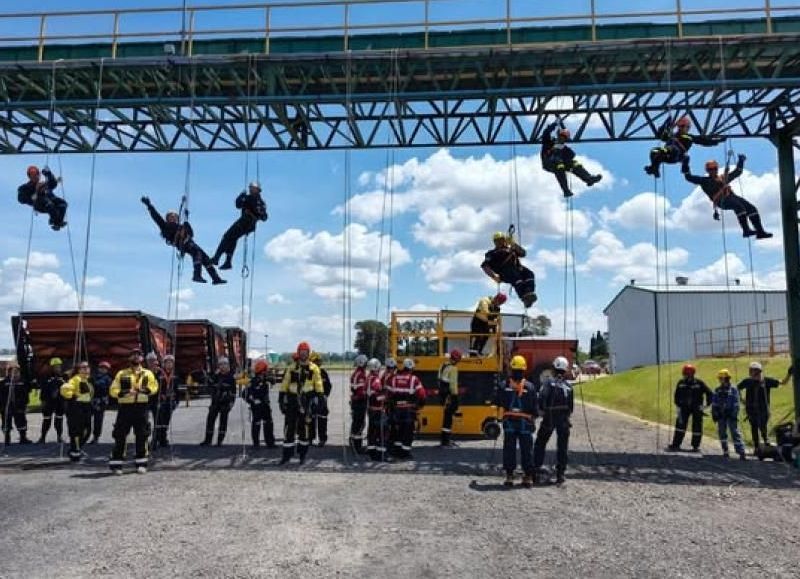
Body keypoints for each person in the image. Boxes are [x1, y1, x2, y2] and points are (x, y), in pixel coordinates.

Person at [681, 155, 772, 239]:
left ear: (717, 169)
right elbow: (689, 177)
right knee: (739, 207)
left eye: (714, 168)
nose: (713, 170)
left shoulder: (722, 178)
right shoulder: (704, 181)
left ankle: (760, 232)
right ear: (707, 170)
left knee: (751, 209)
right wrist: (685, 164)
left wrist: (741, 161)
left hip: (731, 197)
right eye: (710, 169)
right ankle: (746, 230)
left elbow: (737, 172)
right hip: (721, 200)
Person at [141, 196, 227, 284]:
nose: (173, 217)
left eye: (175, 216)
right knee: (197, 252)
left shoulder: (182, 226)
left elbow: (191, 234)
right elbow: (156, 217)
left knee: (205, 259)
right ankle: (196, 275)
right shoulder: (165, 226)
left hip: (190, 242)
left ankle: (216, 278)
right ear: (167, 218)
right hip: (183, 243)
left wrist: (187, 223)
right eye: (171, 216)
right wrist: (149, 205)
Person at [109, 348, 158, 474]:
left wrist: (145, 390)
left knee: (142, 435)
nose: (136, 357)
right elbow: (113, 390)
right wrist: (125, 392)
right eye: (133, 355)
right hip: (125, 408)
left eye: (139, 355)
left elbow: (154, 387)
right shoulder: (121, 374)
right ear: (129, 358)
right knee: (120, 435)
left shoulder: (148, 373)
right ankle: (117, 464)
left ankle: (141, 463)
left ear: (142, 359)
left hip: (141, 408)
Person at [496, 355, 539, 488]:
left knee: (509, 449)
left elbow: (498, 402)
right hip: (525, 424)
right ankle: (528, 477)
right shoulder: (530, 387)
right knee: (527, 450)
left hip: (509, 423)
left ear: (511, 369)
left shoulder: (504, 385)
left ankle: (510, 476)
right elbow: (535, 409)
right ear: (524, 369)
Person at [278, 342, 325, 464]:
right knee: (289, 429)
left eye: (305, 353)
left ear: (308, 354)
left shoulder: (314, 368)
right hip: (293, 399)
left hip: (306, 401)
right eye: (301, 352)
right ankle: (286, 456)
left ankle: (302, 455)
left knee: (304, 429)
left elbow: (318, 384)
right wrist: (281, 397)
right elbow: (285, 382)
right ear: (298, 353)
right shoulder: (292, 367)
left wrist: (320, 398)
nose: (303, 355)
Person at [533, 355, 574, 485]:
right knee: (562, 446)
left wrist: (540, 412)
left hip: (549, 417)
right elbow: (571, 407)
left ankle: (535, 470)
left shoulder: (548, 383)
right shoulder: (569, 386)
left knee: (540, 443)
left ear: (554, 368)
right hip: (563, 419)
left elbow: (541, 400)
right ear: (565, 369)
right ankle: (560, 474)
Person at [211, 181, 268, 270]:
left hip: (245, 222)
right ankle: (228, 262)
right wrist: (257, 215)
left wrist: (241, 196)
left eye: (252, 188)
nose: (250, 189)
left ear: (257, 190)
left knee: (227, 236)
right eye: (250, 188)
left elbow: (238, 205)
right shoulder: (262, 202)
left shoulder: (250, 198)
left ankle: (216, 258)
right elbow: (264, 217)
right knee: (233, 238)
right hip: (251, 225)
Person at [644, 115, 724, 178]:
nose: (682, 128)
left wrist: (717, 141)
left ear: (688, 128)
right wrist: (666, 123)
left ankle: (657, 166)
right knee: (654, 151)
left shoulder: (689, 137)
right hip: (666, 155)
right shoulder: (672, 135)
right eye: (680, 126)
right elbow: (660, 134)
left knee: (673, 149)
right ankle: (655, 168)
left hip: (677, 155)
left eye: (684, 126)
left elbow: (704, 141)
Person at [540, 122, 602, 197]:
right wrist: (553, 125)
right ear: (558, 136)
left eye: (564, 138)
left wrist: (563, 151)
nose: (562, 139)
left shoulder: (564, 148)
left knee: (574, 163)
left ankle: (588, 178)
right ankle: (565, 190)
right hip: (548, 161)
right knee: (559, 163)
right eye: (561, 137)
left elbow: (572, 155)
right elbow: (546, 133)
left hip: (559, 163)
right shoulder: (549, 141)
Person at [481, 232, 537, 308]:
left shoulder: (511, 249)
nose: (500, 242)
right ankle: (524, 297)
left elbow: (523, 253)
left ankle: (529, 293)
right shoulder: (491, 253)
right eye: (497, 241)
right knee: (516, 277)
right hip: (504, 272)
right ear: (494, 242)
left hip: (517, 269)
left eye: (501, 240)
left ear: (505, 240)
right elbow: (485, 266)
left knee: (529, 274)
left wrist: (513, 243)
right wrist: (494, 277)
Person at [386, 358, 426, 460]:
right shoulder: (414, 379)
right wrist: (419, 405)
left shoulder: (393, 379)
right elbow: (422, 394)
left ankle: (396, 451)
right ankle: (405, 453)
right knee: (407, 432)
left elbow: (387, 395)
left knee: (396, 431)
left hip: (395, 410)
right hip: (408, 411)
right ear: (411, 368)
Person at [666, 364, 713, 452]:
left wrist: (706, 405)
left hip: (697, 408)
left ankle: (695, 446)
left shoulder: (699, 383)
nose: (684, 376)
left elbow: (709, 393)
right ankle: (676, 444)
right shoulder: (681, 383)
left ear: (690, 374)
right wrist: (678, 405)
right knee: (680, 426)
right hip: (683, 408)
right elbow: (676, 395)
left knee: (697, 427)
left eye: (685, 374)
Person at [737, 361, 781, 450]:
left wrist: (789, 374)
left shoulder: (766, 381)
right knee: (754, 427)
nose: (750, 372)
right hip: (751, 409)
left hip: (763, 409)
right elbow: (737, 388)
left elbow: (781, 383)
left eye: (752, 370)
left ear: (758, 371)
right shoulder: (747, 381)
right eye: (750, 370)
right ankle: (756, 446)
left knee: (762, 425)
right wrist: (741, 399)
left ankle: (766, 441)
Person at [59, 361, 94, 462]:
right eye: (83, 367)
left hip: (86, 406)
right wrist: (72, 395)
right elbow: (65, 388)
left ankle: (75, 449)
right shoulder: (76, 379)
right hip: (77, 407)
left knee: (87, 431)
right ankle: (75, 453)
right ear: (78, 370)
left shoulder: (88, 380)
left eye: (87, 367)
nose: (86, 369)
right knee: (76, 431)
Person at [17, 165, 68, 230]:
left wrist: (48, 174)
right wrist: (32, 196)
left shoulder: (43, 184)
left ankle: (57, 221)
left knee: (63, 204)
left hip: (50, 201)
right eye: (32, 175)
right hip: (39, 204)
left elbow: (53, 183)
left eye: (36, 174)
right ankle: (55, 221)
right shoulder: (26, 187)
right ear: (29, 177)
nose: (35, 176)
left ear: (39, 175)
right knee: (49, 204)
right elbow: (20, 198)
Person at [200, 357, 237, 446]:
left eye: (224, 364)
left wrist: (231, 403)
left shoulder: (231, 377)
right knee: (210, 420)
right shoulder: (216, 376)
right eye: (221, 364)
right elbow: (210, 386)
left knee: (223, 422)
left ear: (228, 366)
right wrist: (208, 378)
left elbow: (233, 392)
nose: (223, 366)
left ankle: (220, 441)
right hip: (215, 401)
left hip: (225, 402)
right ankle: (207, 440)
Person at [711, 369, 746, 460]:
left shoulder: (733, 390)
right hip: (721, 415)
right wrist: (715, 413)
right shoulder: (717, 390)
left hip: (731, 414)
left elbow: (736, 403)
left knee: (735, 432)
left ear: (726, 378)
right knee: (722, 432)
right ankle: (725, 450)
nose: (720, 380)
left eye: (721, 378)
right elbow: (714, 403)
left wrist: (733, 414)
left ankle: (741, 451)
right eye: (720, 379)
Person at [244, 358, 275, 449]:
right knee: (256, 424)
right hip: (257, 407)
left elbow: (273, 381)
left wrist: (268, 378)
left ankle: (270, 443)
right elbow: (244, 394)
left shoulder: (266, 380)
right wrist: (253, 401)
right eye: (265, 371)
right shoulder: (253, 382)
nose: (266, 373)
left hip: (265, 405)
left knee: (268, 423)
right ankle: (256, 443)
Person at [1, 361, 32, 445]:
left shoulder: (23, 382)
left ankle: (23, 437)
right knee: (6, 422)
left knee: (21, 421)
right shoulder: (4, 383)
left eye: (17, 371)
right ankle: (7, 438)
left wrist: (25, 404)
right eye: (13, 371)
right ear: (9, 372)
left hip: (19, 406)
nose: (15, 373)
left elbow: (26, 395)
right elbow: (1, 395)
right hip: (7, 406)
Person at [37, 357, 66, 443]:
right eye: (55, 366)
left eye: (58, 366)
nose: (57, 368)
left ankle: (59, 437)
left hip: (60, 402)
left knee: (59, 420)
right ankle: (42, 437)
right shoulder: (46, 377)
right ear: (51, 367)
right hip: (48, 402)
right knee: (46, 420)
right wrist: (43, 401)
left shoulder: (64, 377)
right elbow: (43, 390)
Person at [365, 358, 389, 461]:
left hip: (371, 409)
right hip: (377, 409)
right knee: (382, 431)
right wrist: (386, 395)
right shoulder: (375, 380)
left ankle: (372, 451)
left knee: (372, 431)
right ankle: (381, 454)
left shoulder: (368, 378)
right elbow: (376, 397)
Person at [153, 354, 178, 449]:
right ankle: (155, 440)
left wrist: (177, 401)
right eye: (167, 362)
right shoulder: (159, 374)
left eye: (171, 362)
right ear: (164, 364)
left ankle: (163, 439)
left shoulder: (175, 375)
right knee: (158, 421)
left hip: (170, 400)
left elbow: (177, 389)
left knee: (166, 422)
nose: (169, 364)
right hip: (161, 400)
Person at [438, 349, 462, 448]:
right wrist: (455, 397)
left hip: (443, 396)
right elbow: (453, 385)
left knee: (446, 417)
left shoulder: (443, 366)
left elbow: (439, 379)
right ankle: (446, 441)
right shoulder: (453, 369)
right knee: (448, 418)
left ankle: (445, 439)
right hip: (450, 396)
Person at [309, 352, 332, 447]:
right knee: (311, 420)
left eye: (319, 361)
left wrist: (325, 396)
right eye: (316, 361)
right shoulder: (309, 373)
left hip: (322, 399)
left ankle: (322, 439)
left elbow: (328, 386)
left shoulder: (323, 373)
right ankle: (310, 438)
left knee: (322, 419)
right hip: (311, 400)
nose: (319, 363)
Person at [349, 354, 369, 454]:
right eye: (366, 363)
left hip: (356, 402)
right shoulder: (360, 375)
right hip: (359, 402)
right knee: (359, 424)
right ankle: (357, 447)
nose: (366, 365)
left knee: (356, 423)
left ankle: (353, 443)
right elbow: (361, 392)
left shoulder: (357, 373)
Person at [89, 361, 112, 444]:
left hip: (101, 401)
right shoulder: (93, 377)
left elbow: (105, 388)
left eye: (105, 368)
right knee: (87, 418)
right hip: (93, 400)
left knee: (98, 420)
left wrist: (95, 383)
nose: (103, 370)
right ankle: (86, 434)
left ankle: (96, 436)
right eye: (101, 368)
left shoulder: (108, 379)